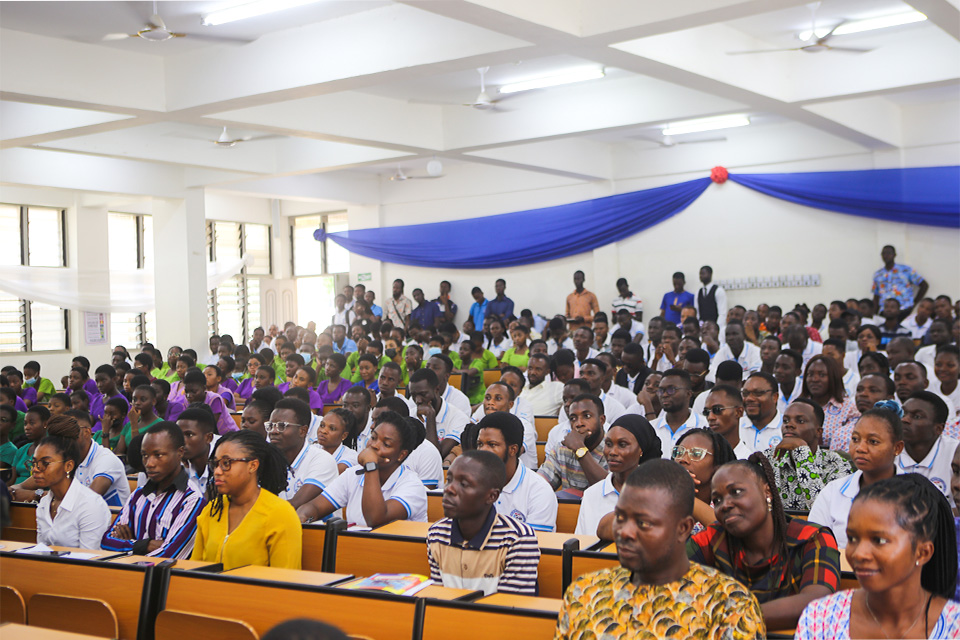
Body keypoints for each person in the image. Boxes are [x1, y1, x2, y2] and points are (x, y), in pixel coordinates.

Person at [556, 459, 765, 640]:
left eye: (644, 523)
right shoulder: (585, 593)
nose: (625, 532)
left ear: (683, 529)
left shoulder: (730, 604)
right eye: (620, 517)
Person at [689, 453, 842, 630]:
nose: (725, 505)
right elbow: (670, 586)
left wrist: (734, 620)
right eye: (717, 500)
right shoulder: (712, 539)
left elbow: (816, 603)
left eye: (736, 492)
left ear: (767, 491)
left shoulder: (811, 538)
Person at [796, 474, 959, 640]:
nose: (859, 553)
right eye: (852, 538)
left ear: (922, 552)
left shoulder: (954, 626)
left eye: (879, 540)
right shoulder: (820, 618)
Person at [427, 450, 540, 595]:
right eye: (449, 480)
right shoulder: (437, 534)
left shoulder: (517, 539)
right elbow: (439, 599)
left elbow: (511, 606)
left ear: (492, 496)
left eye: (464, 484)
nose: (449, 489)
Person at [191, 429, 302, 570]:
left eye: (226, 463)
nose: (217, 471)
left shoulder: (280, 514)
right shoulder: (212, 511)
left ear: (252, 466)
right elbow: (194, 570)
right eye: (215, 464)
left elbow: (285, 579)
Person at [297, 411, 428, 526]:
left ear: (401, 455)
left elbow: (375, 519)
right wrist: (303, 515)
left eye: (386, 444)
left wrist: (371, 465)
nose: (374, 445)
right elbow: (315, 506)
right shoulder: (353, 474)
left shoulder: (412, 486)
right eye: (373, 437)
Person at [101, 422, 205, 558]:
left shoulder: (192, 500)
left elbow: (169, 555)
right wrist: (145, 545)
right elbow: (107, 542)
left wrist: (128, 545)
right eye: (145, 455)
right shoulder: (138, 495)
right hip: (130, 570)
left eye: (158, 455)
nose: (149, 463)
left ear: (180, 453)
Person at [809, 405, 904, 548]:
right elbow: (814, 546)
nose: (860, 448)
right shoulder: (833, 492)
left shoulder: (917, 493)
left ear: (897, 448)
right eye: (855, 439)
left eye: (873, 442)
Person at [576, 414, 661, 539]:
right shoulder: (592, 494)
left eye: (622, 444)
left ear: (641, 450)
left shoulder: (657, 494)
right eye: (609, 444)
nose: (613, 452)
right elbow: (581, 543)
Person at [33, 415, 112, 549]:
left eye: (45, 463)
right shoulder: (44, 504)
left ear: (68, 466)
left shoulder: (90, 505)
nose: (35, 469)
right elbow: (41, 550)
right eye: (34, 463)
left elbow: (89, 557)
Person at [765, 398, 852, 511]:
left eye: (800, 421)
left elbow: (825, 511)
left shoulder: (837, 464)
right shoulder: (769, 458)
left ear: (818, 432)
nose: (789, 425)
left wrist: (802, 452)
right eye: (785, 421)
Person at [475, 412, 556, 531]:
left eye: (492, 445)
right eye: (480, 444)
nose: (482, 450)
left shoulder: (539, 490)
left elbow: (535, 540)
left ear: (513, 450)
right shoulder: (472, 483)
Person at [268, 399, 338, 509]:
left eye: (282, 426)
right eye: (271, 425)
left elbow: (295, 504)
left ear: (303, 431)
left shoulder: (322, 460)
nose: (274, 431)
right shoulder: (269, 460)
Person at [898, 391, 959, 507]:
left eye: (917, 416)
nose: (904, 419)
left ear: (938, 429)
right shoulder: (886, 450)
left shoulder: (955, 453)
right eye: (903, 413)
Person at [539, 394, 608, 494]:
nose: (579, 423)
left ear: (602, 420)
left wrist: (579, 449)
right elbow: (539, 486)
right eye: (573, 418)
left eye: (587, 416)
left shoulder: (613, 449)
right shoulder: (562, 449)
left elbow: (608, 490)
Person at [673, 427, 737, 531]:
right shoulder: (667, 497)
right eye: (679, 453)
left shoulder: (729, 504)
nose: (683, 459)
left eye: (696, 454)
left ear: (717, 465)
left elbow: (721, 530)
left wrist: (685, 495)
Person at [409, 368, 471, 459]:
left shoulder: (458, 418)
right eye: (413, 395)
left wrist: (430, 418)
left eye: (423, 394)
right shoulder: (411, 414)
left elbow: (435, 456)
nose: (418, 400)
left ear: (437, 390)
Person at [801, 355, 860, 451]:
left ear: (833, 378)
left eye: (822, 375)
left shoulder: (849, 409)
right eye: (810, 374)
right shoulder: (798, 406)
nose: (815, 379)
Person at [651, 369, 708, 458]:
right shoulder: (651, 428)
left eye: (671, 390)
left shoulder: (705, 426)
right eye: (661, 390)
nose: (664, 395)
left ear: (688, 393)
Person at [871, 244, 928, 315]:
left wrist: (914, 303)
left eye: (888, 253)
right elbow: (876, 296)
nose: (886, 255)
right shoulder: (878, 274)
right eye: (883, 253)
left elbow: (924, 285)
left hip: (904, 309)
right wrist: (874, 314)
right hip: (885, 311)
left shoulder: (906, 270)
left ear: (894, 255)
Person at [703, 385, 751, 459]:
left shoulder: (748, 460)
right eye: (706, 412)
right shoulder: (701, 458)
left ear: (738, 412)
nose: (710, 417)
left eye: (717, 410)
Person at [316, 408, 359, 473]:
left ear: (344, 435)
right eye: (322, 425)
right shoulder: (312, 449)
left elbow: (329, 475)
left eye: (332, 428)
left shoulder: (351, 456)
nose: (323, 431)